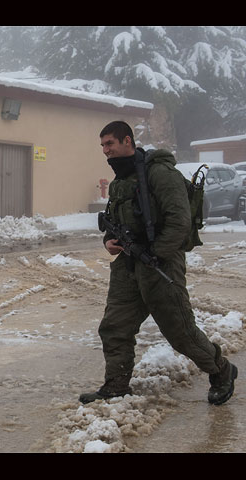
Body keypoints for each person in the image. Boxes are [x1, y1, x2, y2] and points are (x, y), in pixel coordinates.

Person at [80, 120, 238, 405]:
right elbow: (114, 220)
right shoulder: (120, 181)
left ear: (127, 141)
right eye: (102, 146)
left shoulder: (160, 173)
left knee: (180, 332)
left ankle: (222, 371)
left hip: (159, 264)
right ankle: (116, 385)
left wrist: (155, 254)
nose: (105, 151)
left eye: (109, 144)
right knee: (115, 326)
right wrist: (109, 241)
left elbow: (179, 221)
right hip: (128, 264)